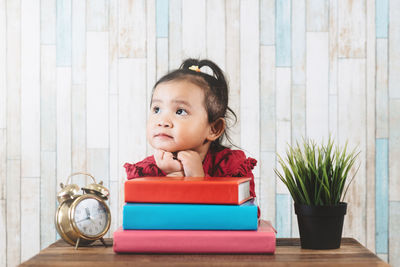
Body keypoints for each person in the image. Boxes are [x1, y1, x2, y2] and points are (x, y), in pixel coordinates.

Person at [124, 58, 257, 199]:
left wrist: (198, 179)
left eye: (180, 111)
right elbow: (140, 217)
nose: (162, 121)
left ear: (214, 129)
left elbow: (245, 216)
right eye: (157, 109)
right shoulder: (145, 172)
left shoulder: (231, 168)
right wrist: (171, 178)